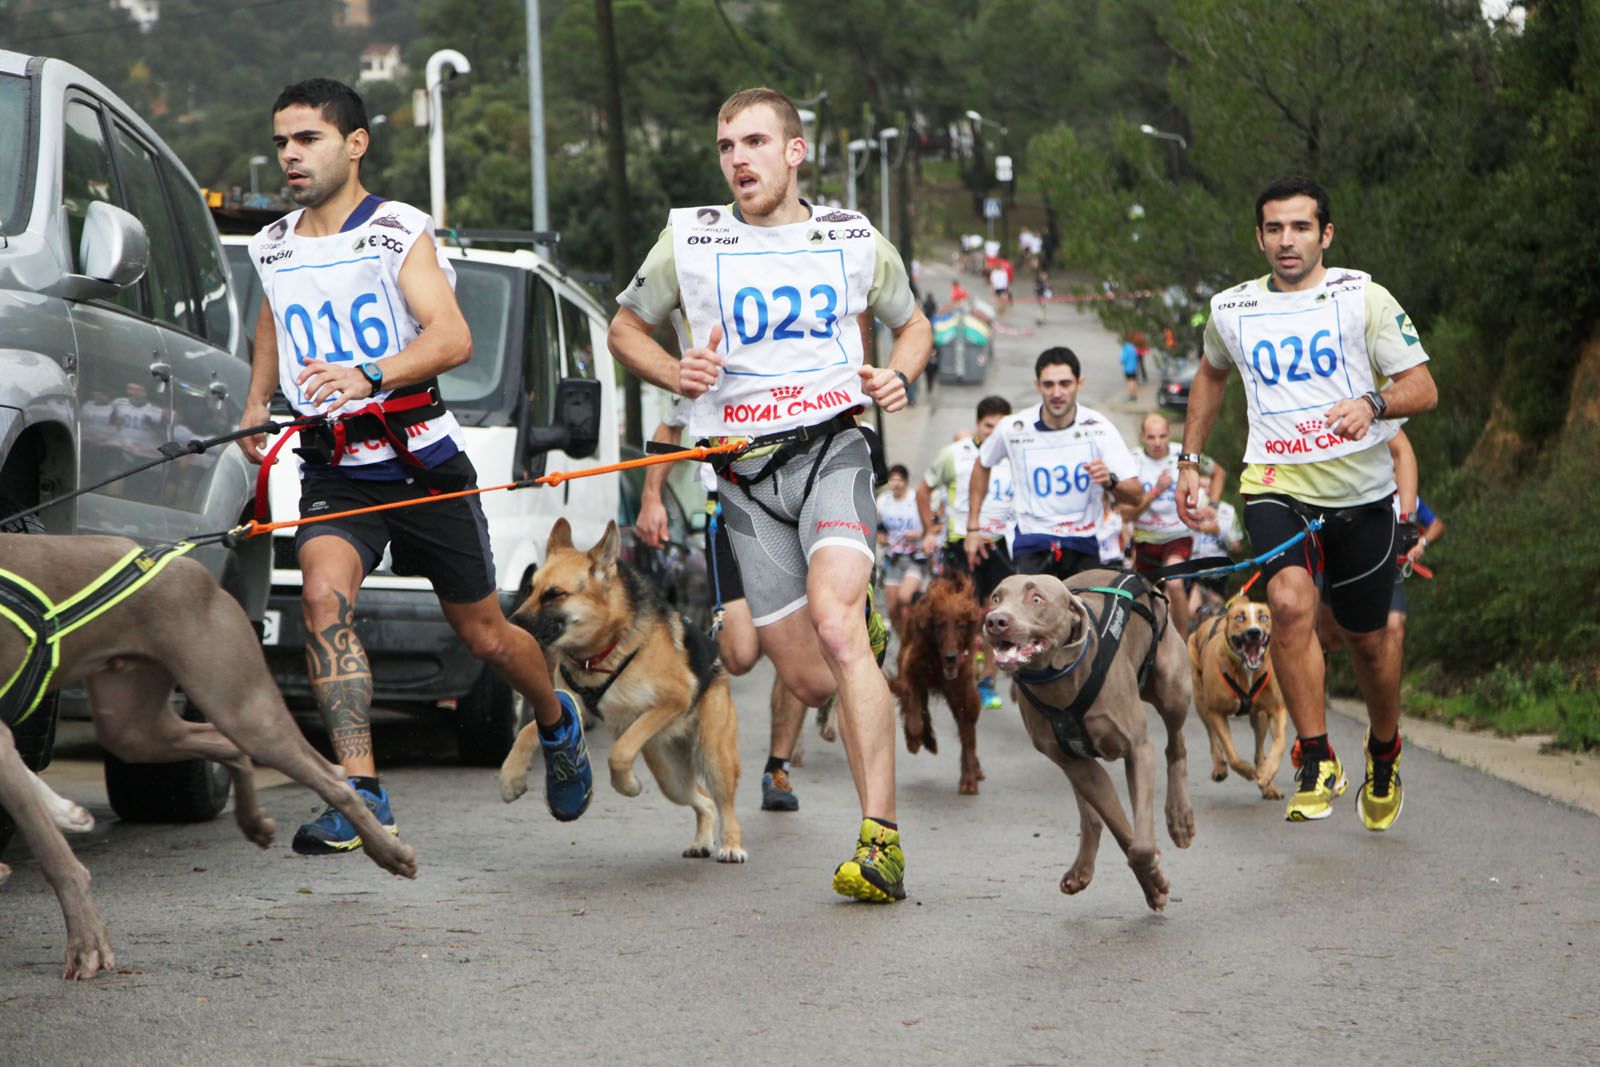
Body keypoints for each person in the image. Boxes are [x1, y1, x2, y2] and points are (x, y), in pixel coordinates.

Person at [236, 79, 594, 853]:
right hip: (335, 469)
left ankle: (558, 722)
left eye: (308, 139)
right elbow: (272, 313)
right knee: (324, 603)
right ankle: (361, 792)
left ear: (355, 144)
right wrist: (257, 400)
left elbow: (452, 337)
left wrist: (367, 375)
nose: (291, 156)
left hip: (421, 463)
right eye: (281, 143)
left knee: (488, 636)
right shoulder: (272, 244)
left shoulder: (396, 231)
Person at [606, 87, 932, 903]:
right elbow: (624, 329)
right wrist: (672, 370)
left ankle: (881, 844)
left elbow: (914, 323)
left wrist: (899, 372)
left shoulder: (852, 238)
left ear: (795, 152)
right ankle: (868, 633)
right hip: (745, 481)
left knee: (834, 621)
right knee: (812, 677)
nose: (738, 159)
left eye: (755, 142)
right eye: (726, 146)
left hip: (831, 452)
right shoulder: (691, 238)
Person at [1175, 175, 1438, 830]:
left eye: (1299, 227)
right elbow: (1210, 374)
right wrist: (1189, 459)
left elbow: (1423, 386)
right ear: (1258, 236)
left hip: (1361, 493)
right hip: (1275, 483)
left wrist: (1373, 404)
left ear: (1325, 234)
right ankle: (1315, 755)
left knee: (1369, 641)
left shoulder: (1362, 297)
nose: (1285, 240)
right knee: (1288, 604)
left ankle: (1383, 749)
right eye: (1273, 228)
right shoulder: (1231, 309)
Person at [637, 402, 810, 813]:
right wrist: (651, 497)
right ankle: (784, 641)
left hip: (790, 513)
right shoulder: (706, 362)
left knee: (797, 655)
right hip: (729, 515)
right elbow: (670, 423)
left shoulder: (801, 354)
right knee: (739, 655)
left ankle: (778, 769)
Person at [968, 347, 1142, 581]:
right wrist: (973, 528)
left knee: (1091, 615)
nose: (1057, 393)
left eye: (1065, 384)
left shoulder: (1099, 428)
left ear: (1079, 384)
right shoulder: (1013, 427)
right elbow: (982, 464)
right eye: (1048, 385)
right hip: (1033, 542)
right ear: (1037, 385)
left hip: (1084, 542)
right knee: (1025, 615)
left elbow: (1135, 495)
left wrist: (1109, 481)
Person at [917, 396, 1015, 709]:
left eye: (1001, 427)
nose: (994, 432)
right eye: (989, 426)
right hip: (962, 542)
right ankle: (964, 674)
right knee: (964, 615)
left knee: (996, 615)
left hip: (999, 544)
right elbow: (923, 491)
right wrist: (929, 529)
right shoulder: (954, 454)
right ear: (978, 424)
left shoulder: (1013, 454)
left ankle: (987, 682)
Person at [1128, 412, 1194, 636]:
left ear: (1169, 435)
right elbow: (1126, 513)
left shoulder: (1182, 455)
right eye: (1151, 437)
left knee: (1174, 584)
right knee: (1146, 595)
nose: (1157, 443)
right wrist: (1156, 490)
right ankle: (1152, 641)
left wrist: (1210, 504)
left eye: (1162, 436)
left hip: (1177, 535)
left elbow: (1217, 472)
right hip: (1145, 537)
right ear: (1142, 437)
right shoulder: (1132, 461)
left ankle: (1183, 644)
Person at [875, 464, 926, 637]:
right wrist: (880, 536)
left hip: (915, 556)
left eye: (899, 480)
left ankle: (919, 624)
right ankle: (905, 638)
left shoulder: (915, 499)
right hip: (894, 556)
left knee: (905, 597)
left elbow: (932, 526)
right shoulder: (883, 500)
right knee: (892, 608)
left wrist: (919, 535)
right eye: (892, 480)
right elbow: (879, 527)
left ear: (905, 482)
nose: (895, 484)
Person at [1119, 336, 1141, 401]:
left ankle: (1131, 396)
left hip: (1128, 368)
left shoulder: (1126, 348)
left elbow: (1123, 359)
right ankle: (1134, 395)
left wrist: (1121, 361)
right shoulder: (1133, 348)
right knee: (1134, 381)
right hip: (1134, 368)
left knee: (1129, 382)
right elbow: (1137, 358)